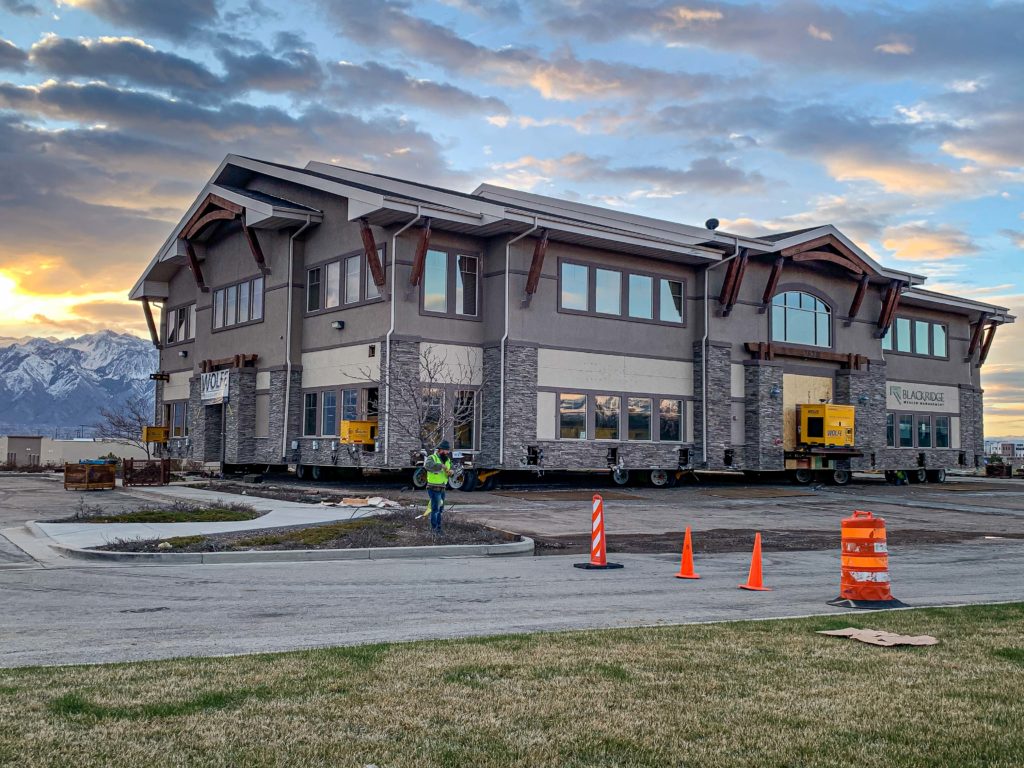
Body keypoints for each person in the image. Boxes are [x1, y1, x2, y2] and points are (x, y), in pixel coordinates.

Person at [424, 440, 452, 534]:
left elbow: (449, 470)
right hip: (433, 487)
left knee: (440, 510)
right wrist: (441, 466)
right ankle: (434, 530)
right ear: (440, 450)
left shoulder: (447, 460)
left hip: (442, 487)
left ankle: (438, 529)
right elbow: (427, 466)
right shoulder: (432, 457)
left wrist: (451, 473)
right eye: (446, 450)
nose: (448, 452)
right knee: (435, 510)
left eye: (448, 450)